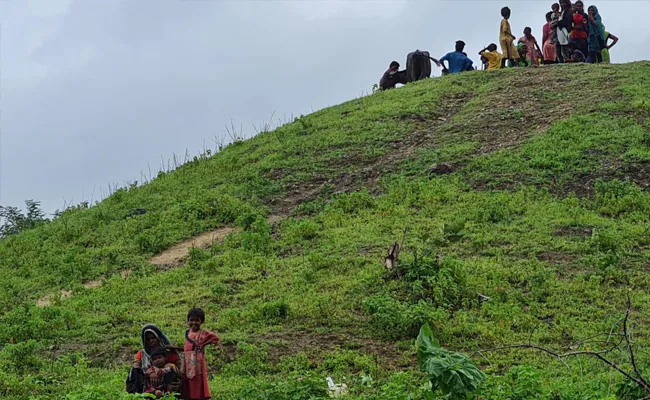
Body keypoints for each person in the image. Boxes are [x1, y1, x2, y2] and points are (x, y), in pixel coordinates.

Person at [178, 307, 221, 400]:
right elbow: (186, 348)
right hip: (187, 360)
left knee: (196, 380)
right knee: (186, 381)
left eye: (197, 320)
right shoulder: (187, 333)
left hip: (197, 361)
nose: (194, 323)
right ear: (188, 321)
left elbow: (215, 338)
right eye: (191, 320)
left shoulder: (203, 333)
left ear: (201, 321)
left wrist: (203, 344)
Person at [128, 324, 182, 394]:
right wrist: (150, 372)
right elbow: (136, 368)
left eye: (153, 338)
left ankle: (170, 394)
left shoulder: (169, 353)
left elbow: (181, 371)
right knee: (134, 371)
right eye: (148, 339)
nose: (151, 341)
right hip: (148, 385)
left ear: (158, 337)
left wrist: (180, 382)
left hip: (168, 385)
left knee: (171, 367)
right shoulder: (142, 353)